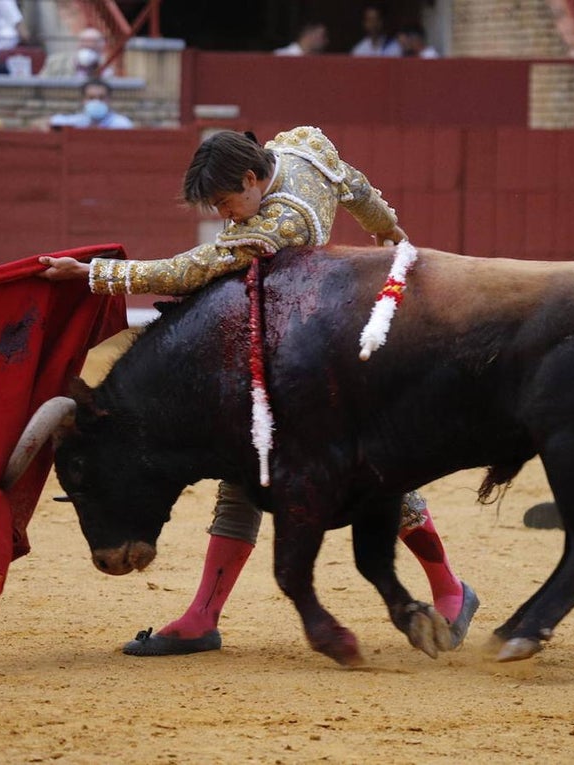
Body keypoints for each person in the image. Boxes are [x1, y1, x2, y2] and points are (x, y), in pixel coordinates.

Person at [38, 126, 480, 657]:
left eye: (227, 203)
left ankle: (451, 588)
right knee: (240, 469)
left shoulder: (278, 223)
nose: (225, 214)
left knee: (372, 471)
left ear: (251, 179)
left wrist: (93, 274)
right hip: (272, 342)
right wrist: (386, 228)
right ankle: (202, 616)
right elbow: (355, 186)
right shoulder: (303, 147)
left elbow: (189, 271)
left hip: (311, 354)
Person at [33, 78, 133, 130]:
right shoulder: (76, 121)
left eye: (101, 98)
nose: (96, 102)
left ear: (109, 100)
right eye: (91, 98)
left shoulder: (121, 124)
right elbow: (38, 123)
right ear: (83, 100)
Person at [40, 27, 115, 79]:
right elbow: (41, 85)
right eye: (85, 46)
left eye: (92, 49)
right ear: (78, 45)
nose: (88, 52)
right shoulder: (55, 63)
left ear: (101, 50)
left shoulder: (105, 70)